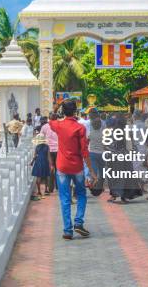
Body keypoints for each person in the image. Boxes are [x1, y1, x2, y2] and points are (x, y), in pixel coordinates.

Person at [49, 99, 97, 240]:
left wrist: (57, 108)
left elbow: (50, 118)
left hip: (62, 167)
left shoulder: (57, 125)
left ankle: (67, 231)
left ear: (62, 111)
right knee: (81, 194)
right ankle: (78, 222)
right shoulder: (80, 128)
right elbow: (84, 152)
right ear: (75, 111)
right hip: (77, 167)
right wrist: (92, 171)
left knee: (65, 198)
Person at [87, 110, 106, 196]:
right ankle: (100, 187)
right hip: (102, 153)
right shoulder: (103, 128)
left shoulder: (90, 128)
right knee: (102, 171)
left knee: (93, 171)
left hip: (92, 153)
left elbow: (87, 139)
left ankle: (93, 188)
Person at [30, 134, 53, 200]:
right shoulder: (47, 147)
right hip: (45, 161)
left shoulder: (37, 147)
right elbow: (49, 156)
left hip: (38, 161)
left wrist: (32, 162)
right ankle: (46, 190)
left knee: (38, 176)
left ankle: (39, 191)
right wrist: (51, 165)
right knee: (46, 176)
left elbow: (35, 156)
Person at [41, 113, 59, 193]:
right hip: (58, 150)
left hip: (49, 150)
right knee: (58, 169)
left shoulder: (44, 127)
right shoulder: (59, 125)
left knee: (50, 169)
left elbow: (41, 137)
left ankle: (50, 187)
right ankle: (58, 186)